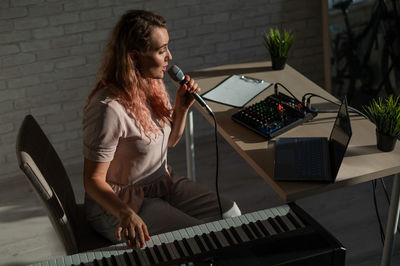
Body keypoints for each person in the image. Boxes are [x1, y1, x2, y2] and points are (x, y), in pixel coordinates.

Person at [82, 9, 241, 250]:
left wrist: (182, 107)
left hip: (159, 183)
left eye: (168, 47)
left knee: (231, 213)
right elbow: (92, 180)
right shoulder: (107, 109)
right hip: (119, 206)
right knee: (202, 239)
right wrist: (125, 213)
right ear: (135, 57)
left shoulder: (152, 85)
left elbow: (168, 142)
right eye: (161, 50)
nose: (170, 56)